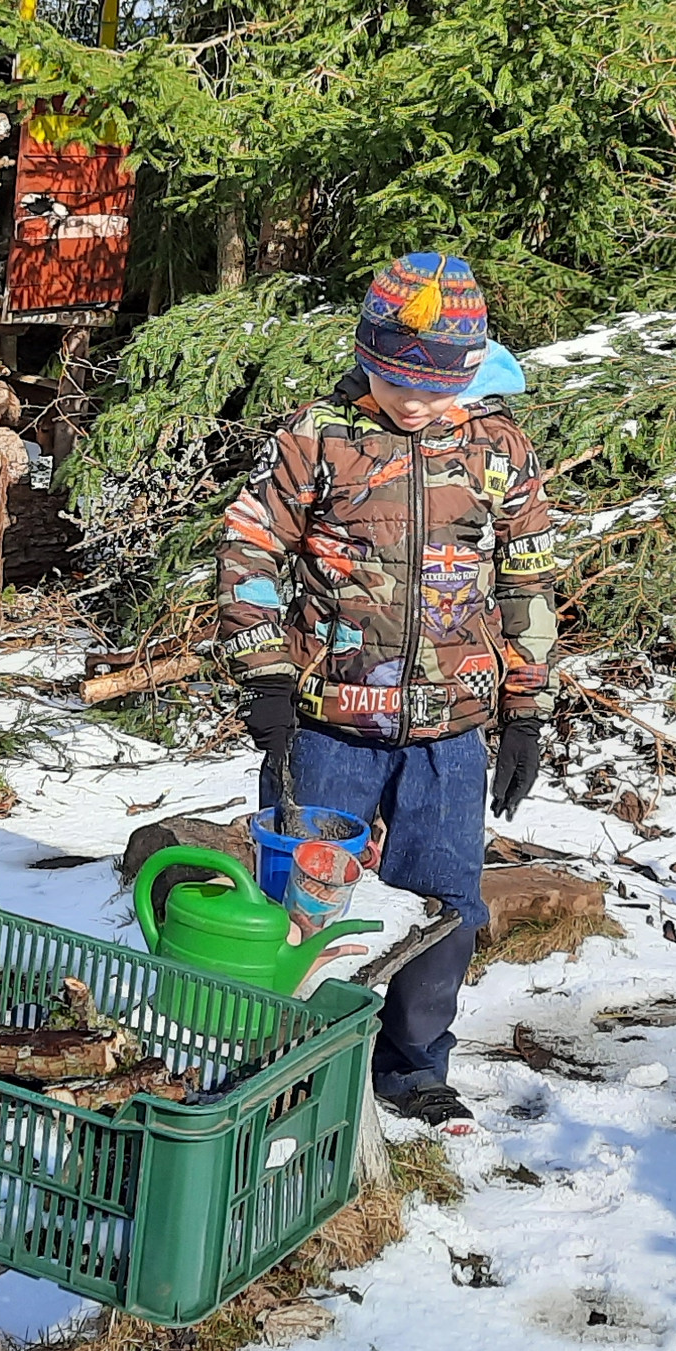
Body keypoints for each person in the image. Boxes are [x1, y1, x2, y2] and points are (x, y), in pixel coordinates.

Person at [215, 251, 557, 1132]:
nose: (413, 402)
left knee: (445, 903)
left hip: (451, 732)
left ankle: (412, 1065)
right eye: (397, 379)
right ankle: (290, 1060)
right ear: (367, 356)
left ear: (470, 372)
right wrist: (265, 676)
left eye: (437, 385)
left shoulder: (498, 450)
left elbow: (527, 580)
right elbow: (251, 548)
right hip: (329, 723)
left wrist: (526, 710)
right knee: (307, 899)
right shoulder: (318, 438)